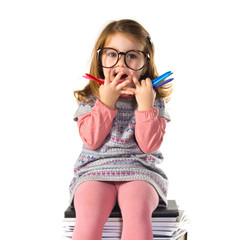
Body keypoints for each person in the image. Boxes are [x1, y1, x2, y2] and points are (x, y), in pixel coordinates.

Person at [69, 19, 172, 240]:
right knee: (88, 218)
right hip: (94, 172)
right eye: (112, 54)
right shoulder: (90, 97)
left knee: (137, 215)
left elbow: (149, 146)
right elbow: (92, 140)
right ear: (100, 59)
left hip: (141, 172)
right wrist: (105, 103)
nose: (121, 64)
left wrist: (146, 106)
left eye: (131, 55)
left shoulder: (153, 99)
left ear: (145, 62)